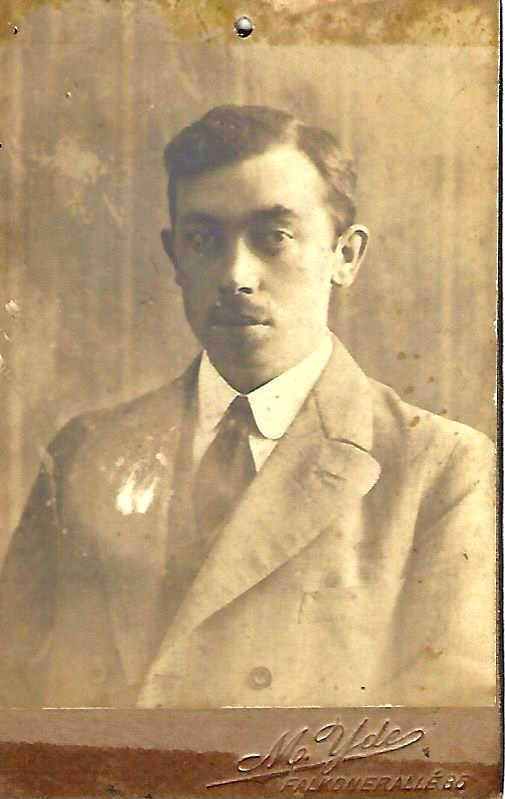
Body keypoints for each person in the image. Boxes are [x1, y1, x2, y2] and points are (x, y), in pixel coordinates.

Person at [0, 105, 495, 709]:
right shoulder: (84, 454)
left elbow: (446, 725)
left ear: (345, 256)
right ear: (174, 257)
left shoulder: (443, 470)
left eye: (273, 237)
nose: (235, 274)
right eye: (203, 240)